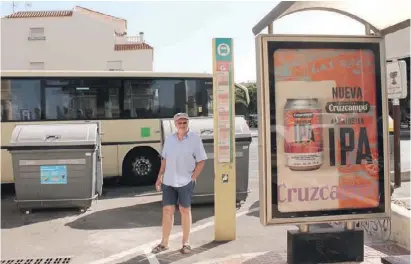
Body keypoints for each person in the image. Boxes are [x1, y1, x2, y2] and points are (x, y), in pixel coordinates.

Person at [152, 112, 207, 254]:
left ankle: (186, 243)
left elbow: (201, 161)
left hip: (185, 181)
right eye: (179, 123)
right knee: (167, 210)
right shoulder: (170, 139)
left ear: (188, 124)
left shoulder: (195, 139)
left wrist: (193, 177)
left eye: (185, 123)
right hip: (169, 181)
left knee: (184, 210)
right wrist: (159, 177)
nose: (182, 125)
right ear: (175, 124)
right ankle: (164, 243)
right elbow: (164, 160)